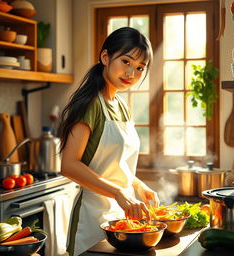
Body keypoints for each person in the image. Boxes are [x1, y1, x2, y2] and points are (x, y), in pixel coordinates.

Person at [59, 27, 160, 256]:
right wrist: (119, 193)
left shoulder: (122, 106)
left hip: (121, 221)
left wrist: (138, 186)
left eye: (139, 68)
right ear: (105, 57)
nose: (131, 73)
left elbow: (115, 165)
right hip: (92, 223)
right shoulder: (88, 105)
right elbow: (69, 165)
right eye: (126, 61)